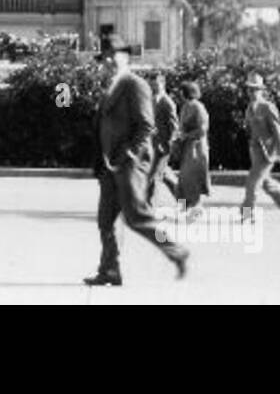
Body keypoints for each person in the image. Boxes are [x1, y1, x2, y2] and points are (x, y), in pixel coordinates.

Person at [85, 36, 189, 286]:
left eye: (113, 54)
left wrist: (128, 156)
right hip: (110, 166)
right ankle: (109, 270)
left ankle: (175, 250)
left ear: (125, 57)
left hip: (129, 165)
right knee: (105, 221)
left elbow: (146, 127)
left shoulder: (135, 84)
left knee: (138, 218)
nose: (108, 60)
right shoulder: (111, 86)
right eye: (104, 57)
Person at [241, 74, 280, 221]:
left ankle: (248, 214)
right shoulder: (249, 108)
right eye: (250, 89)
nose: (252, 92)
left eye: (255, 89)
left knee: (252, 183)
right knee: (266, 183)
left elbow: (278, 131)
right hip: (255, 152)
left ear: (261, 90)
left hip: (268, 153)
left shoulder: (267, 107)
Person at [176, 81, 211, 215]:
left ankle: (196, 208)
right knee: (184, 178)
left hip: (197, 147)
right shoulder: (185, 107)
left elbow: (203, 129)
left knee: (193, 177)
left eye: (182, 91)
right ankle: (185, 207)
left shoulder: (198, 107)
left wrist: (187, 135)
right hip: (187, 147)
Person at [147, 71, 180, 206]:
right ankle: (185, 202)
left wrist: (169, 144)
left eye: (156, 85)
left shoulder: (168, 103)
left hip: (162, 149)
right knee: (168, 179)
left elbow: (174, 127)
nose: (153, 88)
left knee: (153, 179)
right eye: (151, 85)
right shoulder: (151, 100)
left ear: (163, 84)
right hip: (153, 147)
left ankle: (149, 209)